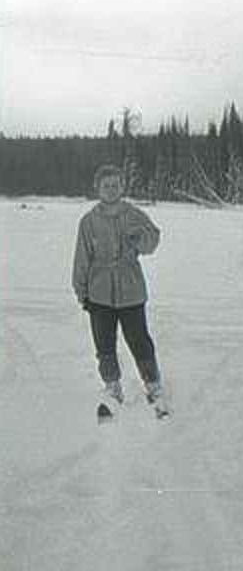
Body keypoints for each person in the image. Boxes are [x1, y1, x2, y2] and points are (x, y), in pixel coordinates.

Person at [72, 163, 168, 417]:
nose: (111, 190)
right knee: (104, 345)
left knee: (140, 341)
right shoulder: (88, 221)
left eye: (115, 185)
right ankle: (112, 387)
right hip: (99, 293)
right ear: (98, 189)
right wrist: (81, 291)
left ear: (122, 187)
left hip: (131, 290)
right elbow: (81, 258)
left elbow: (153, 240)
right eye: (106, 186)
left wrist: (140, 238)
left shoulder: (133, 214)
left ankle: (153, 386)